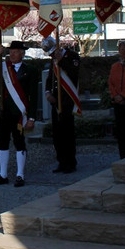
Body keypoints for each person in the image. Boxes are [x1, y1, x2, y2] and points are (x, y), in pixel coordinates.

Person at [0, 40, 39, 186]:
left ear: (22, 54)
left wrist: (32, 118)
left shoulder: (31, 70)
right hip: (4, 112)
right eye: (11, 52)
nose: (12, 54)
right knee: (2, 142)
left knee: (19, 142)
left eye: (16, 52)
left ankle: (20, 174)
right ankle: (3, 174)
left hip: (20, 113)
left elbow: (34, 96)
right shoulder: (4, 67)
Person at [45, 42, 80, 174]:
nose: (53, 56)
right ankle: (61, 161)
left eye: (53, 53)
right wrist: (47, 92)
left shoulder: (72, 56)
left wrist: (61, 61)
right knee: (57, 133)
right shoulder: (54, 59)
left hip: (67, 99)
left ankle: (70, 162)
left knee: (67, 132)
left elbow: (73, 73)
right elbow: (50, 78)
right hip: (55, 100)